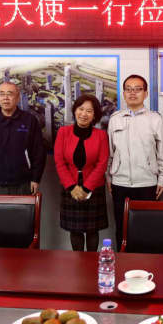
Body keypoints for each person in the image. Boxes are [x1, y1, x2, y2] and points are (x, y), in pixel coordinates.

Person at [107, 74, 163, 251]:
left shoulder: (155, 119)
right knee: (122, 229)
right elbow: (110, 153)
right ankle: (123, 263)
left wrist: (161, 179)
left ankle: (146, 265)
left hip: (147, 183)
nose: (133, 93)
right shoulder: (115, 119)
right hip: (120, 183)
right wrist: (109, 178)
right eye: (128, 89)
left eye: (138, 89)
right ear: (124, 93)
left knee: (147, 230)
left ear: (146, 93)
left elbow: (162, 152)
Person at [54, 94, 109, 252]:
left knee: (93, 230)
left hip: (94, 188)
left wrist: (86, 188)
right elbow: (59, 162)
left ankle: (91, 263)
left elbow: (102, 164)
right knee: (75, 230)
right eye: (81, 109)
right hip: (70, 187)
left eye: (89, 111)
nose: (84, 114)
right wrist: (72, 187)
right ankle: (77, 262)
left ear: (94, 115)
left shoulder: (101, 135)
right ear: (75, 110)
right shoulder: (63, 132)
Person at [0, 81, 46, 196]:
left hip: (24, 182)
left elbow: (38, 153)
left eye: (10, 94)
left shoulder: (29, 120)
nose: (5, 98)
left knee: (25, 209)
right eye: (2, 94)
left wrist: (36, 178)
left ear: (18, 98)